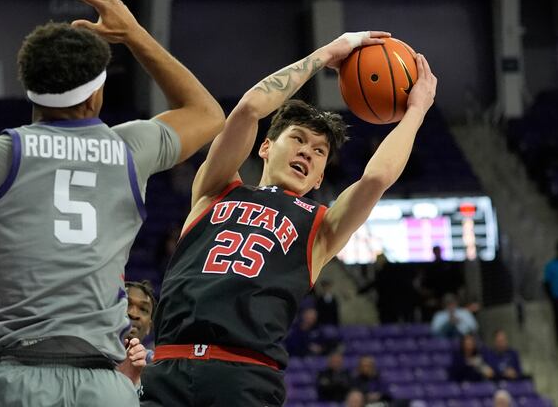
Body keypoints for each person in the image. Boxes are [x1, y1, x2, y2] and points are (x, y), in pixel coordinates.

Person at [0, 0, 224, 406]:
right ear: (96, 93)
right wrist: (133, 34)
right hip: (102, 385)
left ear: (30, 87)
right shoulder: (130, 149)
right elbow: (207, 114)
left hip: (12, 380)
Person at [141, 31, 437, 405]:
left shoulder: (321, 226)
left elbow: (376, 178)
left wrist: (416, 112)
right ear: (265, 147)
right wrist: (327, 53)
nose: (307, 153)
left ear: (318, 179)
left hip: (244, 376)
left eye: (319, 152)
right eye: (297, 139)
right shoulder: (215, 189)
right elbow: (249, 108)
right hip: (169, 366)